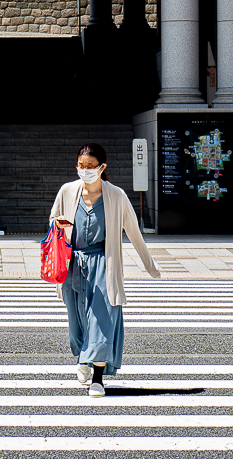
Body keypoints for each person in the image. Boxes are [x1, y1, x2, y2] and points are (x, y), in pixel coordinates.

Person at [50, 142, 161, 397]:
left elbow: (133, 230)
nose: (85, 170)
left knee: (102, 319)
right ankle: (81, 358)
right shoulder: (68, 191)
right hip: (74, 264)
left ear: (102, 167)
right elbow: (53, 219)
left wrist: (150, 265)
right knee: (76, 323)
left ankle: (98, 378)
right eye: (81, 166)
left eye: (90, 166)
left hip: (103, 263)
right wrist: (58, 223)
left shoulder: (116, 196)